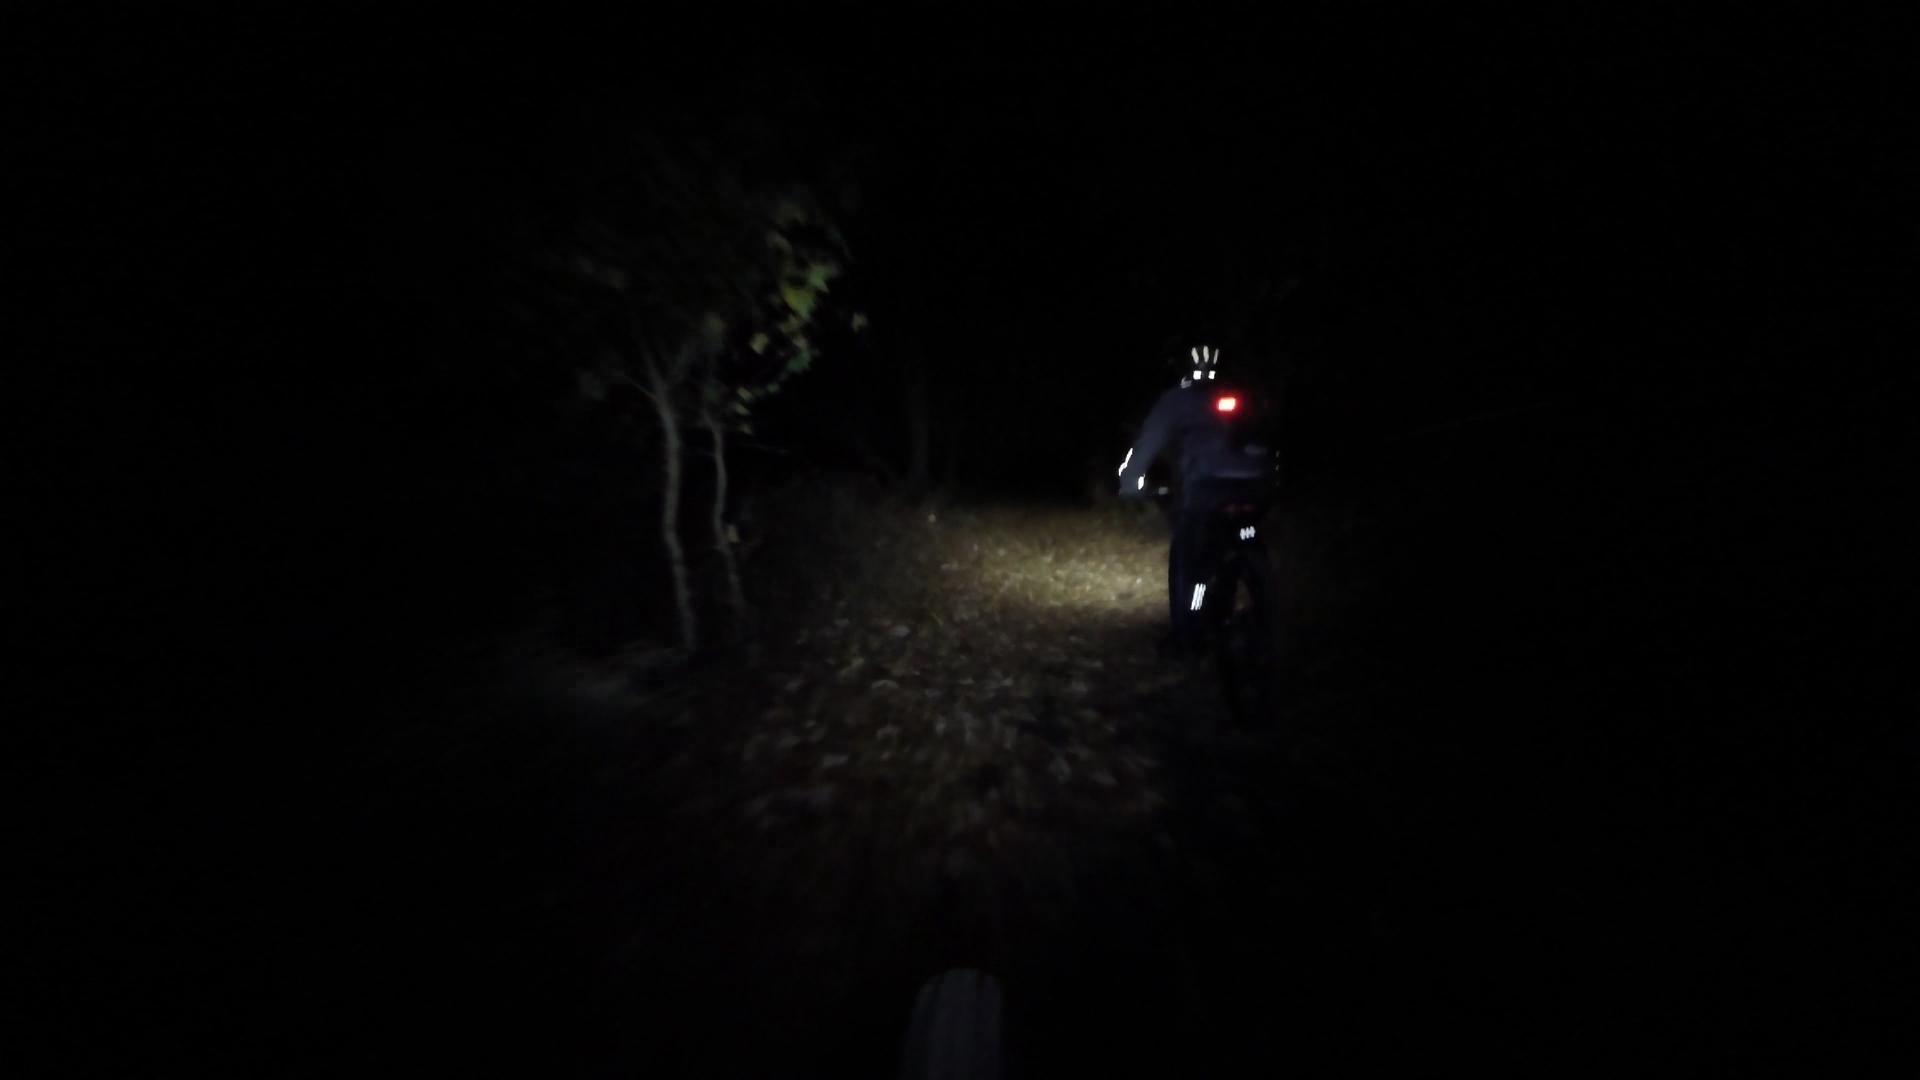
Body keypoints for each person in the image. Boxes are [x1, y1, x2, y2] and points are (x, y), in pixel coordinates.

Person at [1118, 344, 1277, 656]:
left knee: (1191, 561)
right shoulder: (1249, 394)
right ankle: (1263, 606)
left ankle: (1187, 635)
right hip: (1258, 486)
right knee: (1247, 537)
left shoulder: (1177, 401)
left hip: (1206, 490)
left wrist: (1131, 484)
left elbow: (1146, 446)